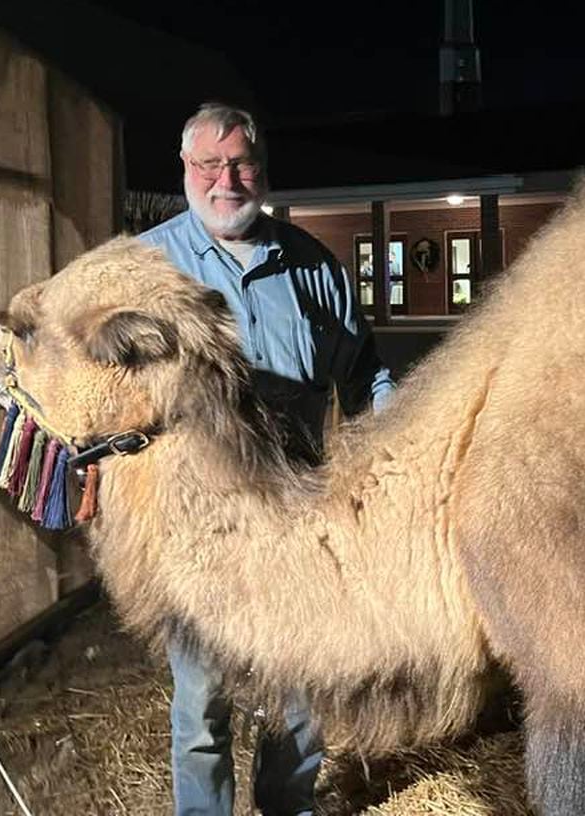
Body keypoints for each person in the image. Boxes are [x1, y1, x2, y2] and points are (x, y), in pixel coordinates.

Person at [139, 102, 394, 816]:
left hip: (299, 517)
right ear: (185, 169)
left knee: (301, 695)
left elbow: (366, 375)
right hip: (201, 528)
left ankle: (290, 807)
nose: (227, 179)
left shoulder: (313, 265)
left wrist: (397, 446)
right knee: (202, 702)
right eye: (209, 165)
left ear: (263, 169)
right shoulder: (150, 267)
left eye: (241, 162)